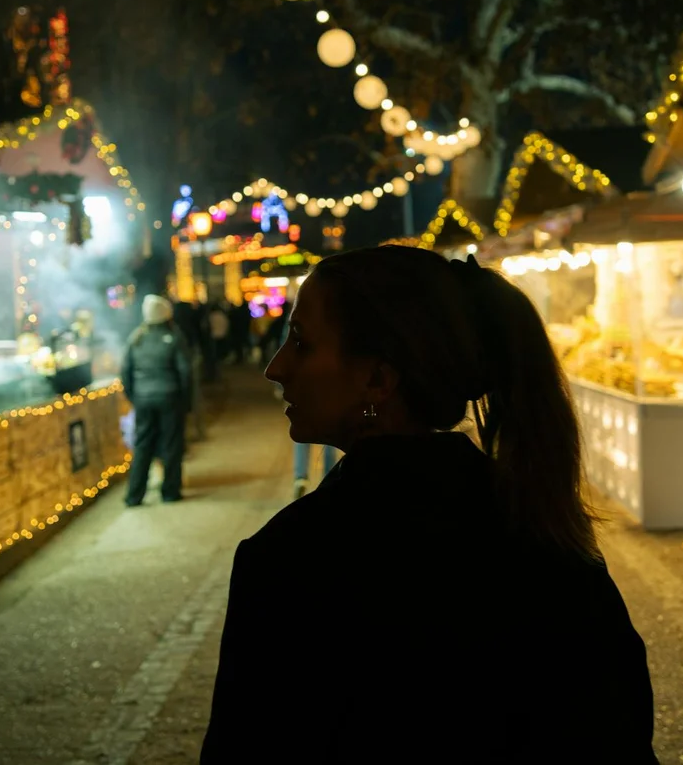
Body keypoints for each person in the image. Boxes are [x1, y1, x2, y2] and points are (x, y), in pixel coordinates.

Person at [202, 248, 657, 762]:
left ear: (378, 379)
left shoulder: (293, 559)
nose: (275, 366)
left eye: (302, 342)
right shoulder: (546, 530)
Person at [120, 295, 192, 506]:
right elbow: (185, 372)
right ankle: (170, 492)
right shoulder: (174, 336)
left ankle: (134, 495)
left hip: (143, 399)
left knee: (142, 445)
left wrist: (134, 396)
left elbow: (125, 371)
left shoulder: (136, 338)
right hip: (170, 397)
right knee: (171, 444)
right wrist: (185, 401)